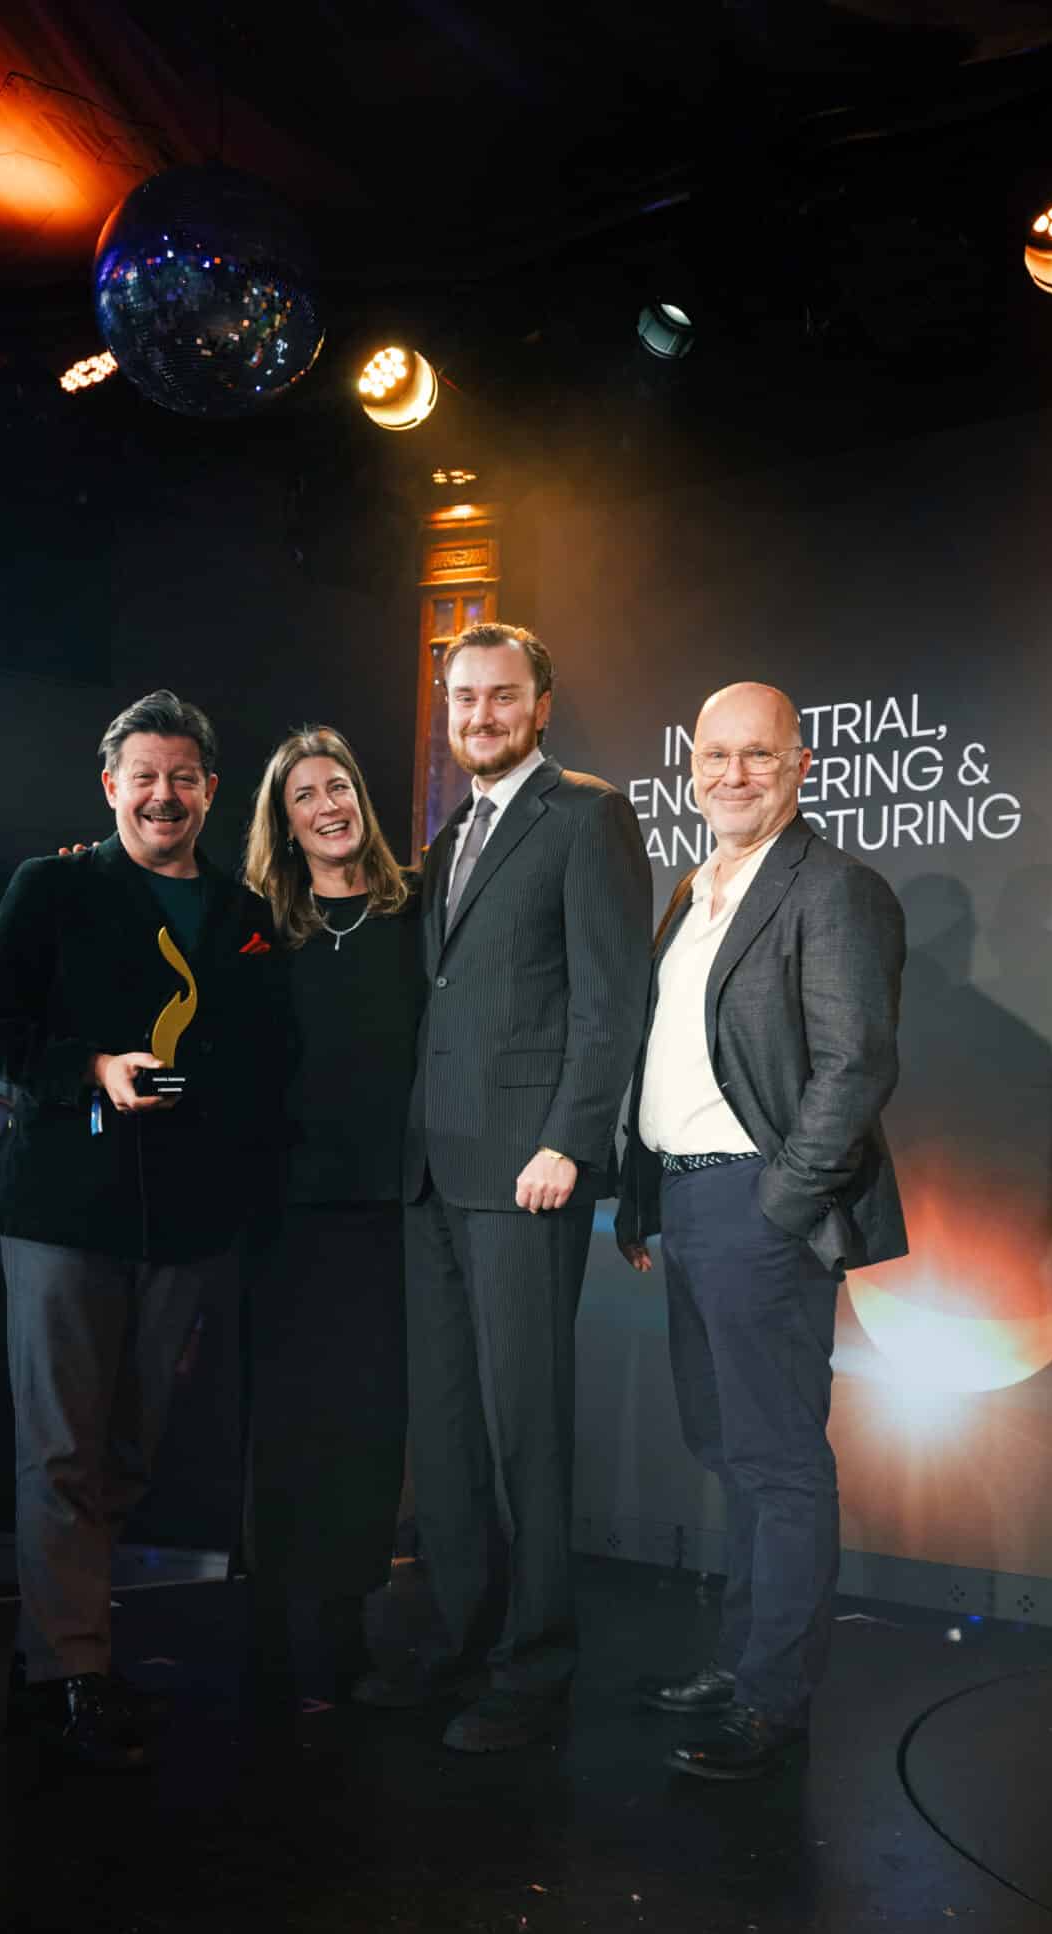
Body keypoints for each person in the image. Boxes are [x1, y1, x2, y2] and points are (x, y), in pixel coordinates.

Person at [0, 689, 280, 1770]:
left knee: (129, 1451)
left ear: (211, 791)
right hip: (63, 1211)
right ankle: (73, 1672)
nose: (162, 794)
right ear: (110, 785)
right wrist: (93, 1068)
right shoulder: (51, 885)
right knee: (62, 1447)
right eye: (144, 776)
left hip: (187, 1225)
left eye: (182, 777)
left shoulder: (242, 912)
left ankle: (49, 1654)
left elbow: (260, 1063)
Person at [356, 621, 652, 1753]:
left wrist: (569, 1140)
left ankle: (537, 1665)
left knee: (525, 1426)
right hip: (433, 1171)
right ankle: (461, 1640)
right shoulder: (448, 836)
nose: (479, 714)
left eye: (501, 695)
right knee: (444, 1432)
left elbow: (610, 1000)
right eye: (463, 697)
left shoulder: (586, 814)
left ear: (542, 705)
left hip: (528, 1172)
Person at [615, 681, 907, 1781]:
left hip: (759, 1205)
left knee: (779, 1462)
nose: (732, 774)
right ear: (691, 767)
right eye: (715, 755)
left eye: (757, 754)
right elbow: (669, 1056)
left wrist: (781, 1206)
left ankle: (773, 1697)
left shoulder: (835, 888)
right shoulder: (693, 891)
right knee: (728, 1450)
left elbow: (855, 1066)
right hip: (687, 1203)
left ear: (800, 765)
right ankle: (741, 1662)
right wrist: (646, 1194)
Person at [240, 725, 425, 1708]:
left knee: (371, 1425)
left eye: (339, 785)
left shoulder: (416, 910)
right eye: (305, 794)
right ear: (284, 821)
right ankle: (274, 1629)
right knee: (290, 1425)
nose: (327, 805)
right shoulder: (258, 925)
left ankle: (348, 1629)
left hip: (390, 1213)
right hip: (284, 1217)